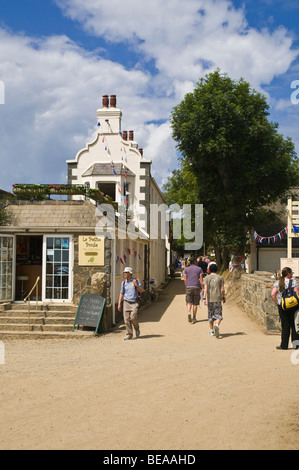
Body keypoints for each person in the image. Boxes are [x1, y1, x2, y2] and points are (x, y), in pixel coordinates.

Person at [271, 267, 299, 350]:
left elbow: (273, 295)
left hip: (282, 306)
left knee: (285, 325)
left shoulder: (278, 283)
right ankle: (296, 345)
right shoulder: (293, 282)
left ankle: (284, 345)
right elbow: (297, 293)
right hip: (294, 306)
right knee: (294, 325)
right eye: (291, 273)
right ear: (289, 274)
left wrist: (278, 303)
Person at [118, 267, 144, 340]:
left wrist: (136, 285)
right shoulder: (123, 282)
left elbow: (141, 291)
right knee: (126, 320)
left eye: (126, 272)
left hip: (134, 302)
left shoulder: (136, 280)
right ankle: (129, 334)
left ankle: (137, 328)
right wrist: (119, 304)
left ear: (130, 273)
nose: (124, 273)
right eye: (124, 272)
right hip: (126, 302)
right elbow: (121, 293)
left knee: (133, 317)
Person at [203, 263, 225, 338]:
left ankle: (211, 331)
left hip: (210, 300)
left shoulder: (206, 278)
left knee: (210, 316)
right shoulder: (220, 278)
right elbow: (222, 289)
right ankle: (217, 325)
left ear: (209, 270)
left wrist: (204, 298)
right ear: (216, 269)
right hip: (218, 299)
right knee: (218, 315)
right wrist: (224, 297)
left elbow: (205, 289)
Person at [184, 257, 203, 323]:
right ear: (195, 261)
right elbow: (201, 280)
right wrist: (202, 287)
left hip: (189, 286)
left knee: (189, 302)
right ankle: (194, 317)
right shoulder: (199, 269)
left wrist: (186, 286)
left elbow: (185, 279)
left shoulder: (186, 269)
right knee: (195, 303)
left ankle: (189, 312)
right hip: (196, 287)